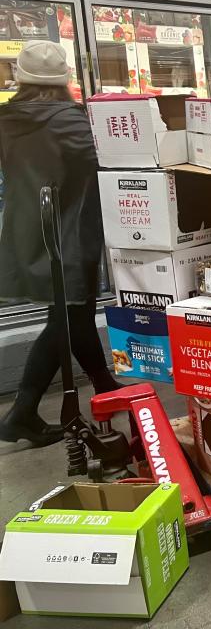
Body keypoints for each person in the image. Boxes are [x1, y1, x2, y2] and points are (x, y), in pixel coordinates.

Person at [0, 40, 119, 447]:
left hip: (27, 230)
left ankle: (105, 386)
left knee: (76, 312)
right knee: (66, 319)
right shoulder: (67, 119)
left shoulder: (7, 118)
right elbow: (104, 158)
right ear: (65, 79)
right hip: (67, 232)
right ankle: (21, 413)